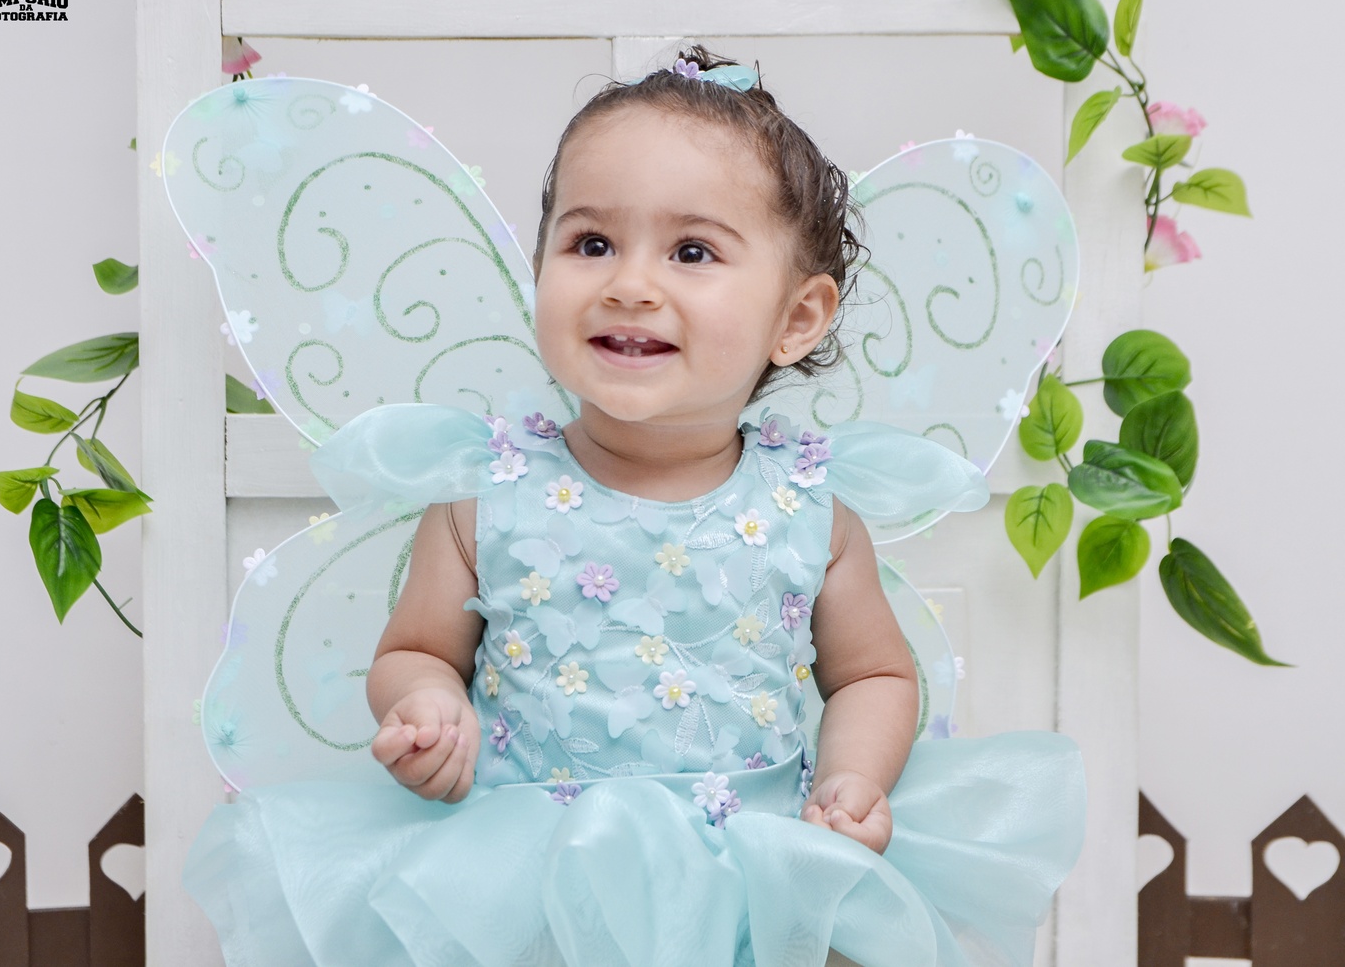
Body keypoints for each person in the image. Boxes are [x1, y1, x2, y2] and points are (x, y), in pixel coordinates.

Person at [185, 47, 1085, 967]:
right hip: (528, 882)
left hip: (750, 874)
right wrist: (426, 707)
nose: (629, 284)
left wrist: (854, 779)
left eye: (692, 251)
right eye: (591, 244)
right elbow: (415, 648)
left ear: (796, 318)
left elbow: (873, 676)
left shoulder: (809, 507)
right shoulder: (484, 492)